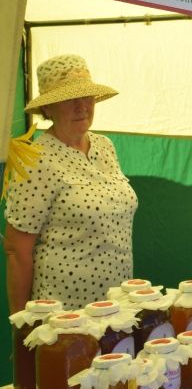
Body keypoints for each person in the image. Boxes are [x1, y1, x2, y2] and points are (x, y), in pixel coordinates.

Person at [5, 54, 137, 313]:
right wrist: (22, 325)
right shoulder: (35, 159)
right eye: (68, 99)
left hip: (117, 306)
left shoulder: (104, 146)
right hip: (65, 315)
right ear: (48, 108)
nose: (82, 106)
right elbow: (16, 250)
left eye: (86, 96)